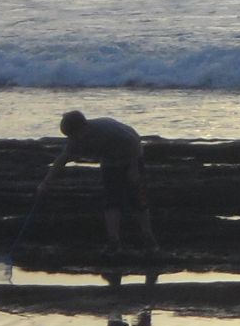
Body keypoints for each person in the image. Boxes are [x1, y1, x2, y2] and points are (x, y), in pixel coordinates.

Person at [39, 110, 157, 256]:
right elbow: (63, 159)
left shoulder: (108, 130)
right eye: (70, 137)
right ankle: (114, 242)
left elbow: (134, 141)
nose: (73, 139)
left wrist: (133, 169)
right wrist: (46, 182)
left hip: (132, 155)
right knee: (111, 201)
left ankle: (148, 238)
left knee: (138, 200)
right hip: (110, 161)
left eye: (74, 135)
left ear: (84, 127)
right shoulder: (75, 139)